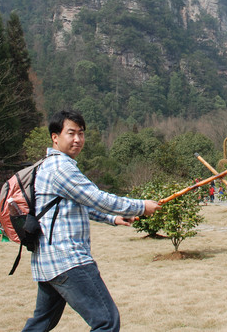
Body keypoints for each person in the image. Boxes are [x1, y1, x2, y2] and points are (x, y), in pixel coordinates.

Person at [22, 109, 160, 332]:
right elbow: (97, 198)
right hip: (68, 260)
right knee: (106, 321)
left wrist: (113, 218)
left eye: (81, 133)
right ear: (55, 137)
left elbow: (80, 205)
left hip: (49, 262)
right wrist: (141, 206)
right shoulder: (61, 167)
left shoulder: (47, 165)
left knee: (41, 324)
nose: (77, 139)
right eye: (71, 133)